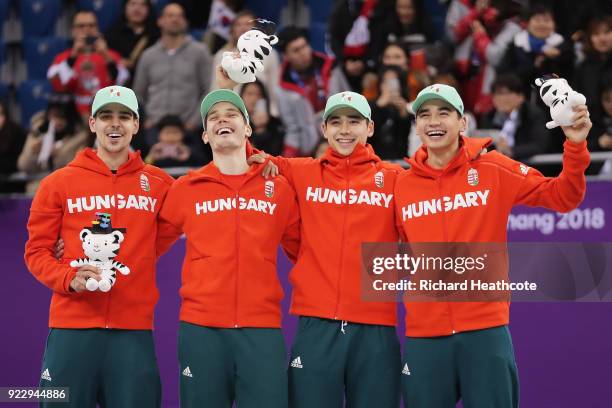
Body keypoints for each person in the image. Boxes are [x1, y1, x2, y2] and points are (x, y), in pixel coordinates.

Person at [394, 83, 591, 407]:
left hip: (484, 330)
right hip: (424, 335)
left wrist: (575, 143)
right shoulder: (400, 184)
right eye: (424, 114)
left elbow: (564, 195)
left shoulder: (494, 168)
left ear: (463, 123)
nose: (434, 121)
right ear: (416, 126)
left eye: (444, 113)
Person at [24, 86, 176, 408]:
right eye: (106, 116)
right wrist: (70, 277)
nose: (115, 124)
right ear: (92, 124)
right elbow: (36, 253)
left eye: (124, 117)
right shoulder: (57, 183)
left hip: (132, 331)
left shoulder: (161, 184)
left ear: (136, 125)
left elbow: (167, 233)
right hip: (72, 328)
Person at [251, 89, 403, 407]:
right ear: (323, 130)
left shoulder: (394, 179)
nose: (344, 130)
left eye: (353, 122)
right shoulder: (301, 172)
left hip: (374, 325)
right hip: (316, 322)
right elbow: (244, 152)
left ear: (370, 128)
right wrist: (226, 84)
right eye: (335, 122)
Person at [158, 89, 300, 407]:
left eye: (232, 114)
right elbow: (143, 245)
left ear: (247, 129)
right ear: (206, 135)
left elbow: (306, 250)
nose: (223, 119)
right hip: (201, 330)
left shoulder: (278, 190)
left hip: (261, 329)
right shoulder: (185, 189)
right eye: (213, 117)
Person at [133, 2, 212, 145]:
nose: (175, 19)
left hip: (189, 129)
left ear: (185, 21)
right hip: (154, 128)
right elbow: (138, 93)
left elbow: (208, 91)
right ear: (160, 21)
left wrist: (194, 122)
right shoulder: (148, 55)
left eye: (179, 16)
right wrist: (146, 120)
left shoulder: (200, 52)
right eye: (170, 15)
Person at [47, 11, 129, 121]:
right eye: (81, 26)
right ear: (73, 31)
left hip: (105, 116)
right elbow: (57, 83)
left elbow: (122, 82)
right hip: (72, 117)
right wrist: (73, 56)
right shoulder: (63, 58)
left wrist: (106, 56)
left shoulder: (111, 56)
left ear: (97, 29)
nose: (87, 30)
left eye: (91, 25)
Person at [276, 26, 335, 156]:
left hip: (339, 138)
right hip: (309, 149)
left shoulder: (331, 67)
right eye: (296, 50)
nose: (303, 52)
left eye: (304, 46)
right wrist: (289, 155)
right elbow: (292, 128)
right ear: (286, 56)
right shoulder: (282, 88)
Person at [17, 94, 90, 193]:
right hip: (39, 187)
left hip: (69, 188)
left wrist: (58, 156)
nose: (56, 121)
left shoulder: (82, 136)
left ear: (70, 117)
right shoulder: (37, 131)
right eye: (52, 116)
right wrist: (33, 153)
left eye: (61, 117)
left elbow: (78, 170)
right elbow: (23, 166)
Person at [479, 73, 549, 160]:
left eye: (507, 93)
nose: (502, 98)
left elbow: (539, 145)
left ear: (521, 97)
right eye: (498, 94)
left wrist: (510, 150)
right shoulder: (489, 117)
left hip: (529, 165)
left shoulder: (533, 114)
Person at [105, 0, 160, 85]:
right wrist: (118, 62)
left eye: (143, 5)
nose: (137, 9)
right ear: (125, 7)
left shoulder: (157, 35)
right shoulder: (111, 35)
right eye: (133, 4)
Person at [370, 65, 412, 160]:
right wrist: (379, 106)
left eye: (394, 81)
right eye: (386, 81)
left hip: (401, 161)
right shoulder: (370, 106)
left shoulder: (408, 107)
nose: (390, 85)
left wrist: (404, 115)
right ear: (380, 84)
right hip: (374, 160)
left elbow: (408, 139)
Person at [239, 80, 285, 156]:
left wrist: (261, 130)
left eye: (259, 95)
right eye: (250, 94)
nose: (254, 98)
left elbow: (274, 154)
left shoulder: (275, 124)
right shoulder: (237, 123)